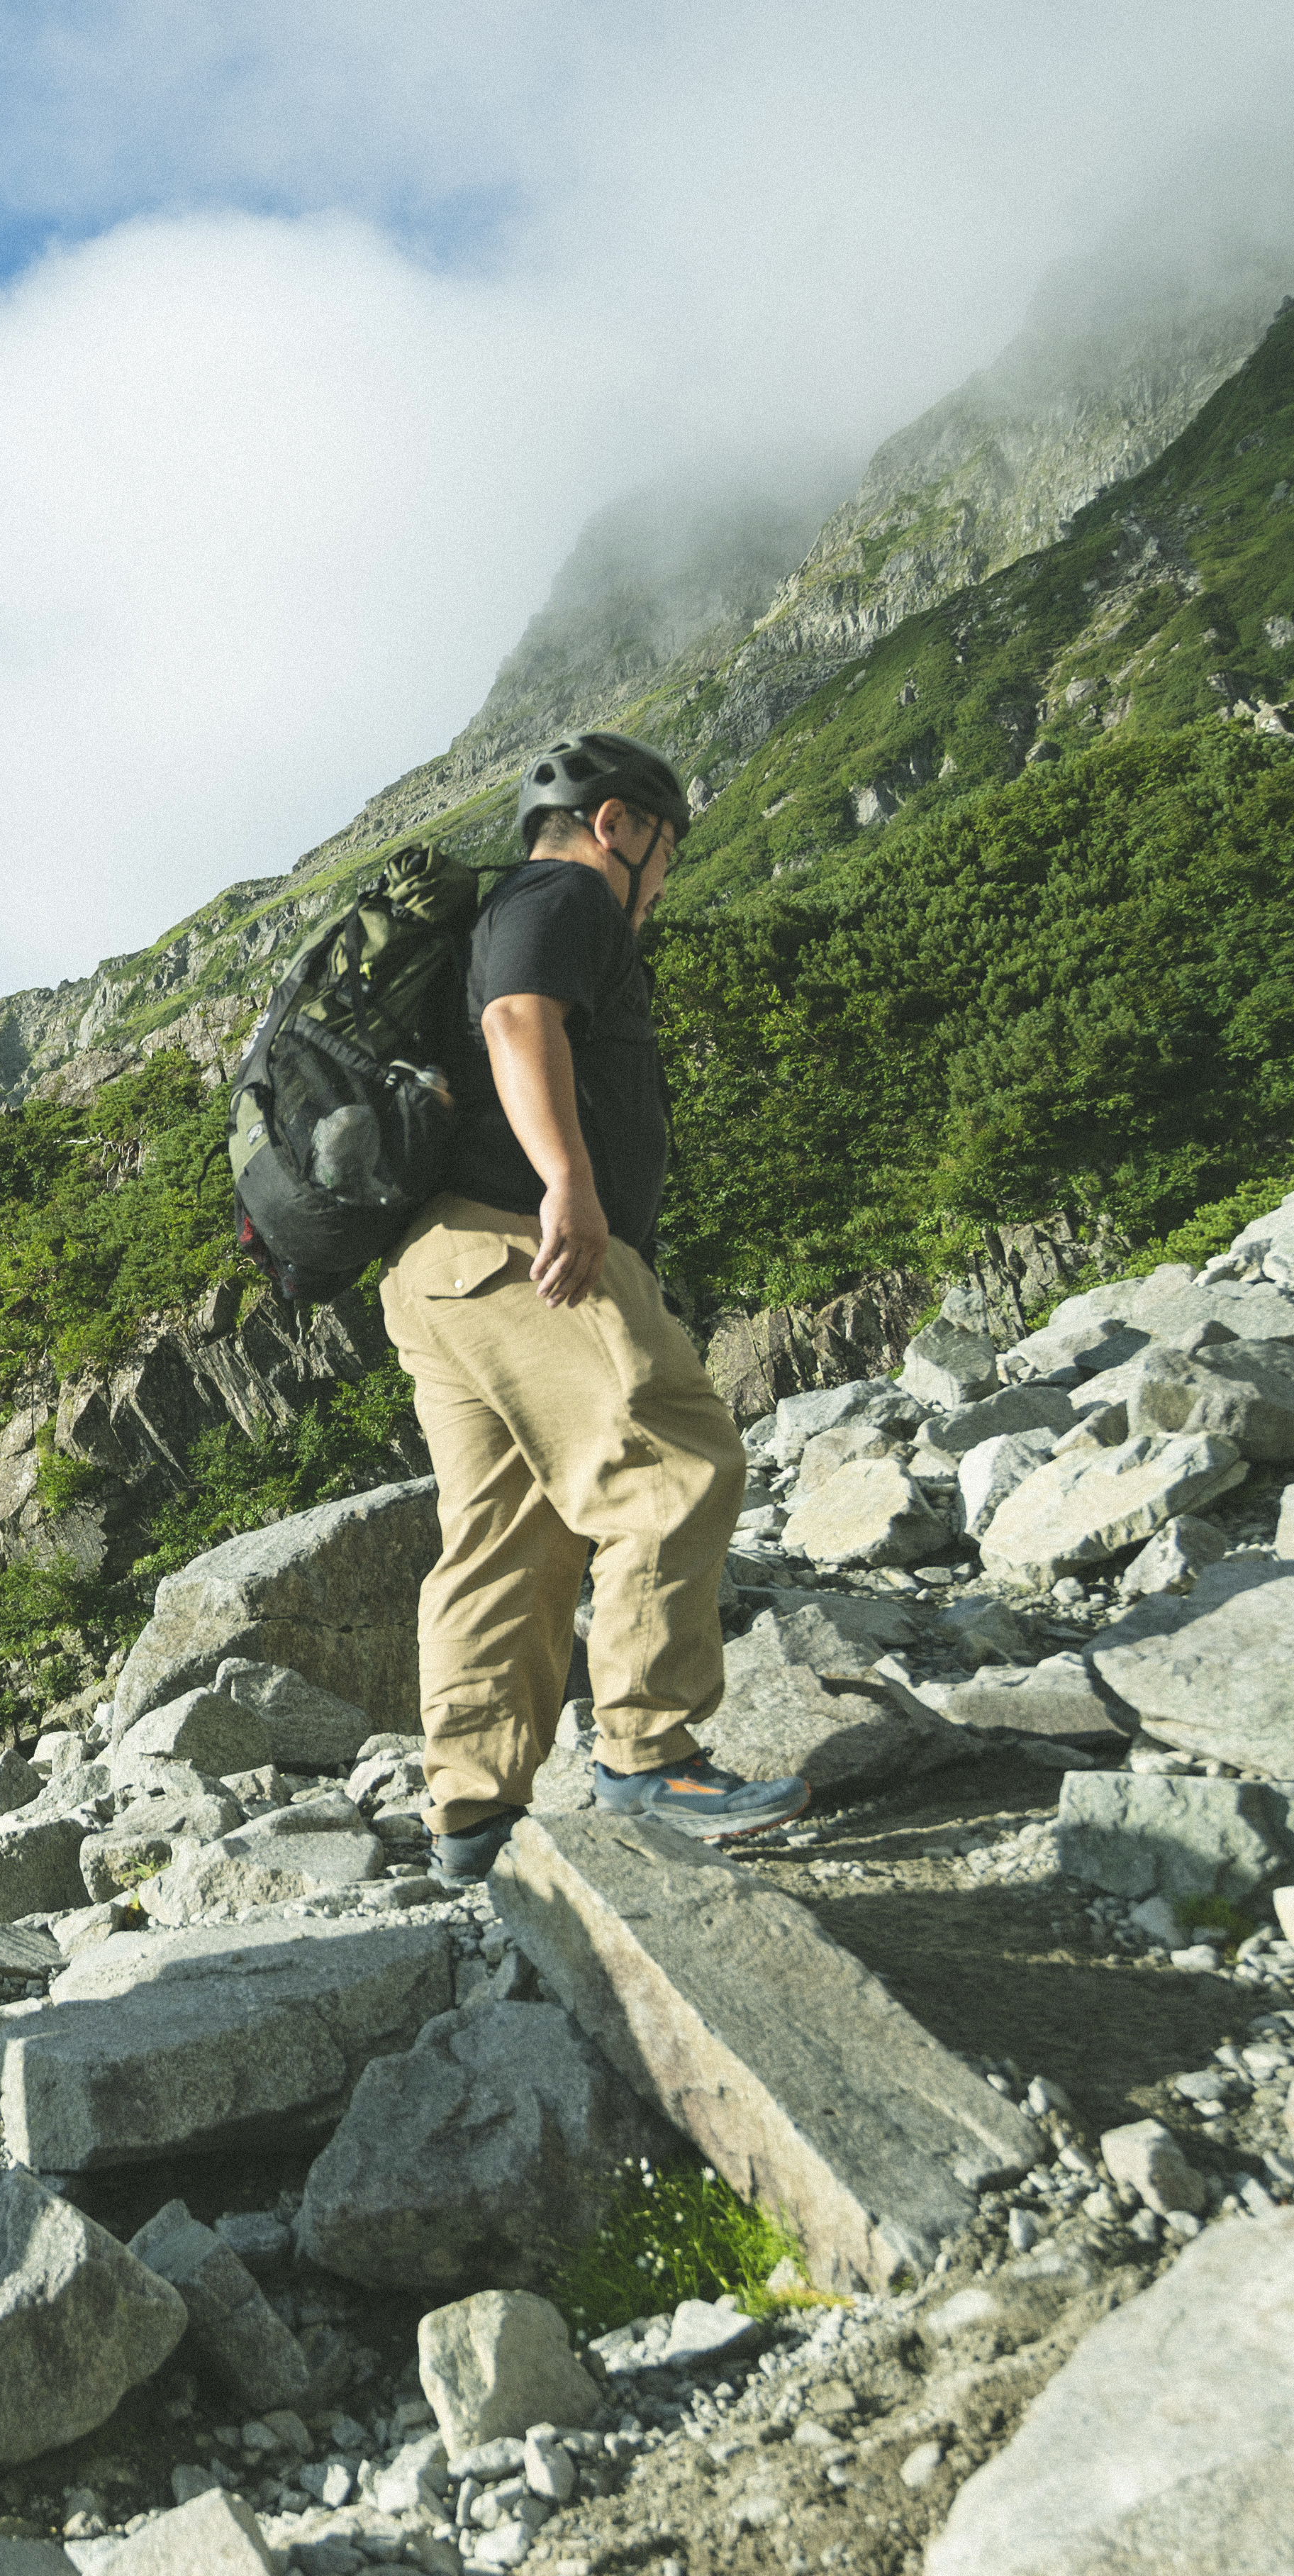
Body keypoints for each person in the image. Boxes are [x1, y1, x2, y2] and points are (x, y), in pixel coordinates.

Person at [380, 733, 808, 1886]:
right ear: (616, 825)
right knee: (678, 1461)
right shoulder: (564, 894)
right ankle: (650, 1759)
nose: (663, 884)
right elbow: (521, 1020)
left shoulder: (501, 913)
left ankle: (473, 1820)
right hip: (523, 1243)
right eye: (665, 855)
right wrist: (569, 1181)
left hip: (436, 1271)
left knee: (506, 1537)